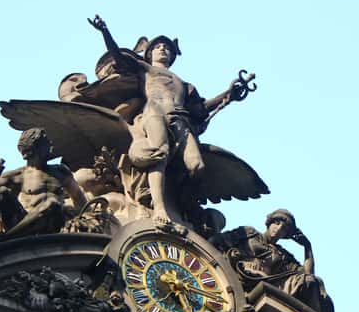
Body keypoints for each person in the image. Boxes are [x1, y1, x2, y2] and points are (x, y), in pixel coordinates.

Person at [87, 15, 245, 222]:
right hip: (154, 112)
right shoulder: (146, 69)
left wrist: (228, 95)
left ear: (172, 56)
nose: (163, 49)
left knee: (197, 166)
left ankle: (184, 203)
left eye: (167, 48)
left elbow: (201, 109)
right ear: (150, 53)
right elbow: (119, 56)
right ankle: (160, 208)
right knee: (158, 155)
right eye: (158, 47)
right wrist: (105, 32)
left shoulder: (185, 85)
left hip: (181, 119)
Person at [0, 128, 87, 251]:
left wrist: (73, 217)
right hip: (21, 224)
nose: (51, 143)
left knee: (52, 202)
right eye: (46, 142)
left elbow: (81, 202)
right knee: (3, 192)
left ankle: (3, 239)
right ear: (34, 148)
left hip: (51, 225)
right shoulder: (17, 176)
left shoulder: (60, 172)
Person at [211, 209, 336, 312]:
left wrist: (307, 247)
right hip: (243, 275)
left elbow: (307, 275)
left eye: (284, 228)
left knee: (312, 281)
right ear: (269, 223)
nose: (279, 228)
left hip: (269, 284)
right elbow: (219, 240)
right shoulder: (250, 233)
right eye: (277, 223)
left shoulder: (282, 255)